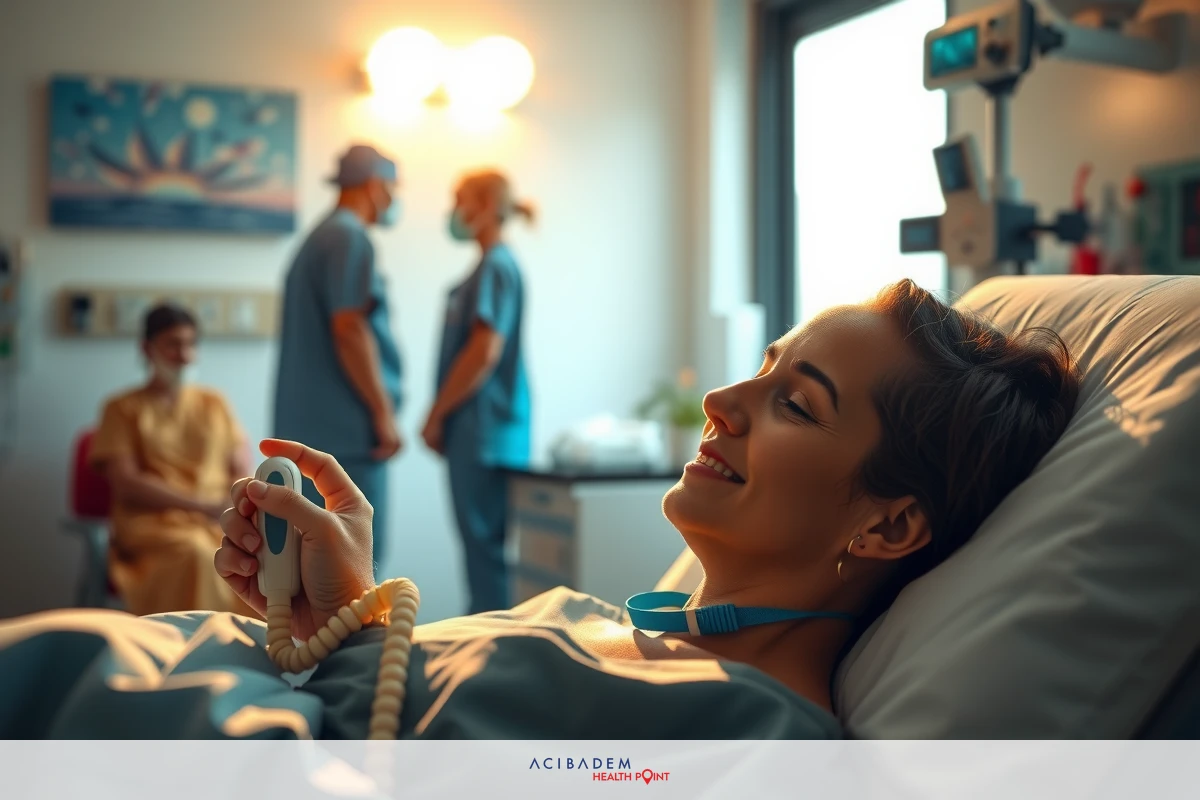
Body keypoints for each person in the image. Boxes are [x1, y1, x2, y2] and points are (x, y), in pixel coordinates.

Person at [1, 279, 1080, 739]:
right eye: (761, 366)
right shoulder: (604, 625)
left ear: (887, 525)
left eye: (796, 402)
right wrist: (345, 614)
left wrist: (342, 661)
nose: (721, 400)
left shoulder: (750, 739)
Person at [272, 144, 405, 579]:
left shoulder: (320, 237)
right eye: (392, 188)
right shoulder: (349, 238)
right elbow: (349, 328)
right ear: (375, 184)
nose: (393, 199)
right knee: (354, 571)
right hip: (346, 437)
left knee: (315, 572)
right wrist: (383, 414)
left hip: (316, 434)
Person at [87, 303, 251, 616]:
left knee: (271, 555)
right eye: (173, 344)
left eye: (190, 344)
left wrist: (231, 507)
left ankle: (261, 644)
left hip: (218, 521)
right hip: (153, 527)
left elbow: (242, 470)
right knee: (200, 554)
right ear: (147, 349)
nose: (184, 355)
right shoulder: (122, 409)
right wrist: (202, 506)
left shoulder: (215, 404)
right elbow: (127, 484)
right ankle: (196, 644)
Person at [421, 169, 535, 614]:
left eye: (460, 199)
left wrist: (436, 415)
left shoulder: (496, 267)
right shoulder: (490, 268)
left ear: (486, 206)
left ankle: (489, 649)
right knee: (482, 554)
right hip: (483, 430)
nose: (453, 211)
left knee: (484, 555)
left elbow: (484, 351)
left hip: (483, 431)